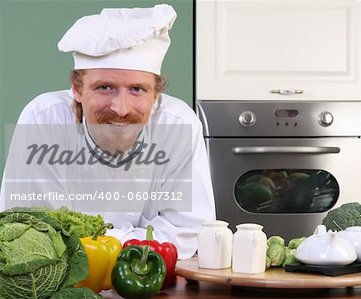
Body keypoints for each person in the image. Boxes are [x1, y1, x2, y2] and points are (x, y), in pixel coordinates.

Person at [0, 4, 216, 259]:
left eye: (137, 89)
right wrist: (137, 237)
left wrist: (94, 244)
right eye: (104, 87)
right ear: (77, 89)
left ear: (156, 94)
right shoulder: (43, 120)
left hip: (146, 282)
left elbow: (189, 234)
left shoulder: (178, 125)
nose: (121, 108)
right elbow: (33, 236)